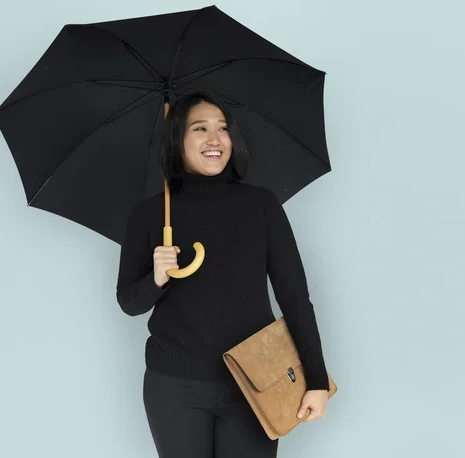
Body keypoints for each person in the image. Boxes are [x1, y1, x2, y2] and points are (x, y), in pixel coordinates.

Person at [116, 90, 330, 458]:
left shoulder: (261, 206)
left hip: (255, 382)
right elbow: (129, 303)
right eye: (200, 128)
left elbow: (295, 298)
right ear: (177, 139)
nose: (215, 140)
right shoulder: (151, 214)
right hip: (174, 388)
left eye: (223, 128)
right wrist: (157, 277)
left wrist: (317, 380)